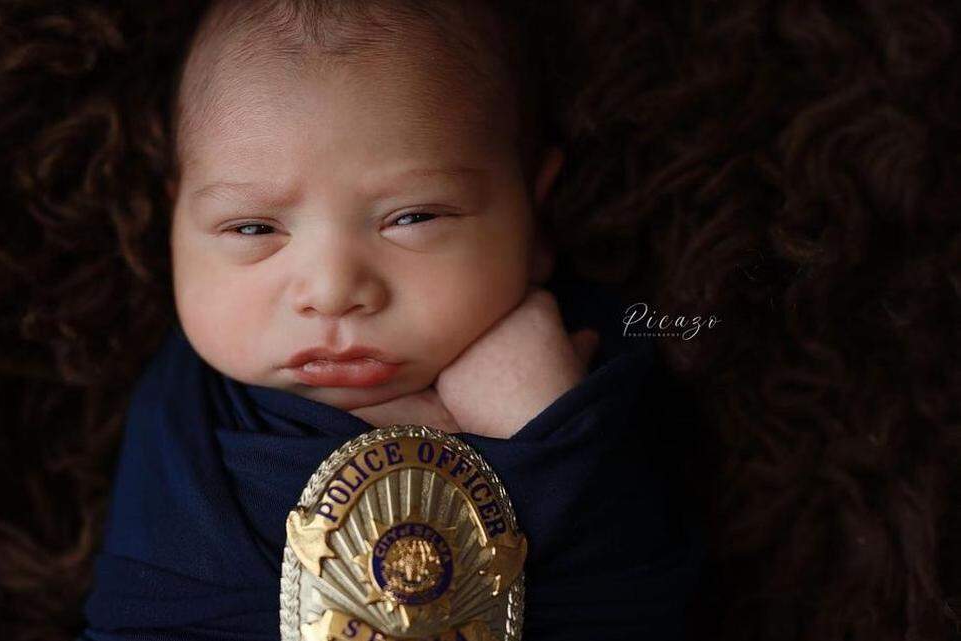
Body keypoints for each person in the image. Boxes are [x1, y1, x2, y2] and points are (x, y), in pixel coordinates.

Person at [80, 1, 705, 639]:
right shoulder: (184, 421)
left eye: (412, 218)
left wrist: (546, 437)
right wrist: (498, 465)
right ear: (176, 226)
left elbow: (640, 600)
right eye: (252, 228)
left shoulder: (606, 370)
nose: (332, 291)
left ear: (532, 215)